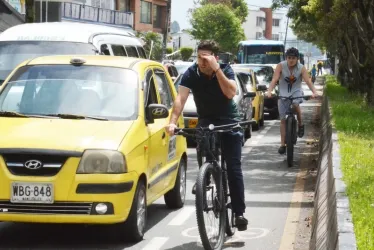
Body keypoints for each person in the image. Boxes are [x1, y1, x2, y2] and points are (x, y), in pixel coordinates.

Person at [165, 40, 248, 231]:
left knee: (234, 168)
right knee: (203, 142)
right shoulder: (191, 73)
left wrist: (216, 70)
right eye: (199, 57)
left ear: (215, 57)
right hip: (207, 118)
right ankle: (205, 178)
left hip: (229, 119)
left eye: (206, 57)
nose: (201, 62)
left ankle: (238, 213)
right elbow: (181, 98)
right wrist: (172, 121)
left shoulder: (225, 70)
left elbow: (230, 93)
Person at [266, 47, 319, 155]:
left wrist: (314, 92)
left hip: (296, 92)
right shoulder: (280, 66)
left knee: (295, 104)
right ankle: (282, 144)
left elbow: (308, 81)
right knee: (282, 120)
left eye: (293, 58)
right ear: (286, 58)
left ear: (297, 59)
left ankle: (300, 124)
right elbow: (274, 79)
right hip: (283, 94)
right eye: (289, 58)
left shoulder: (301, 68)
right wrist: (269, 91)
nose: (291, 60)